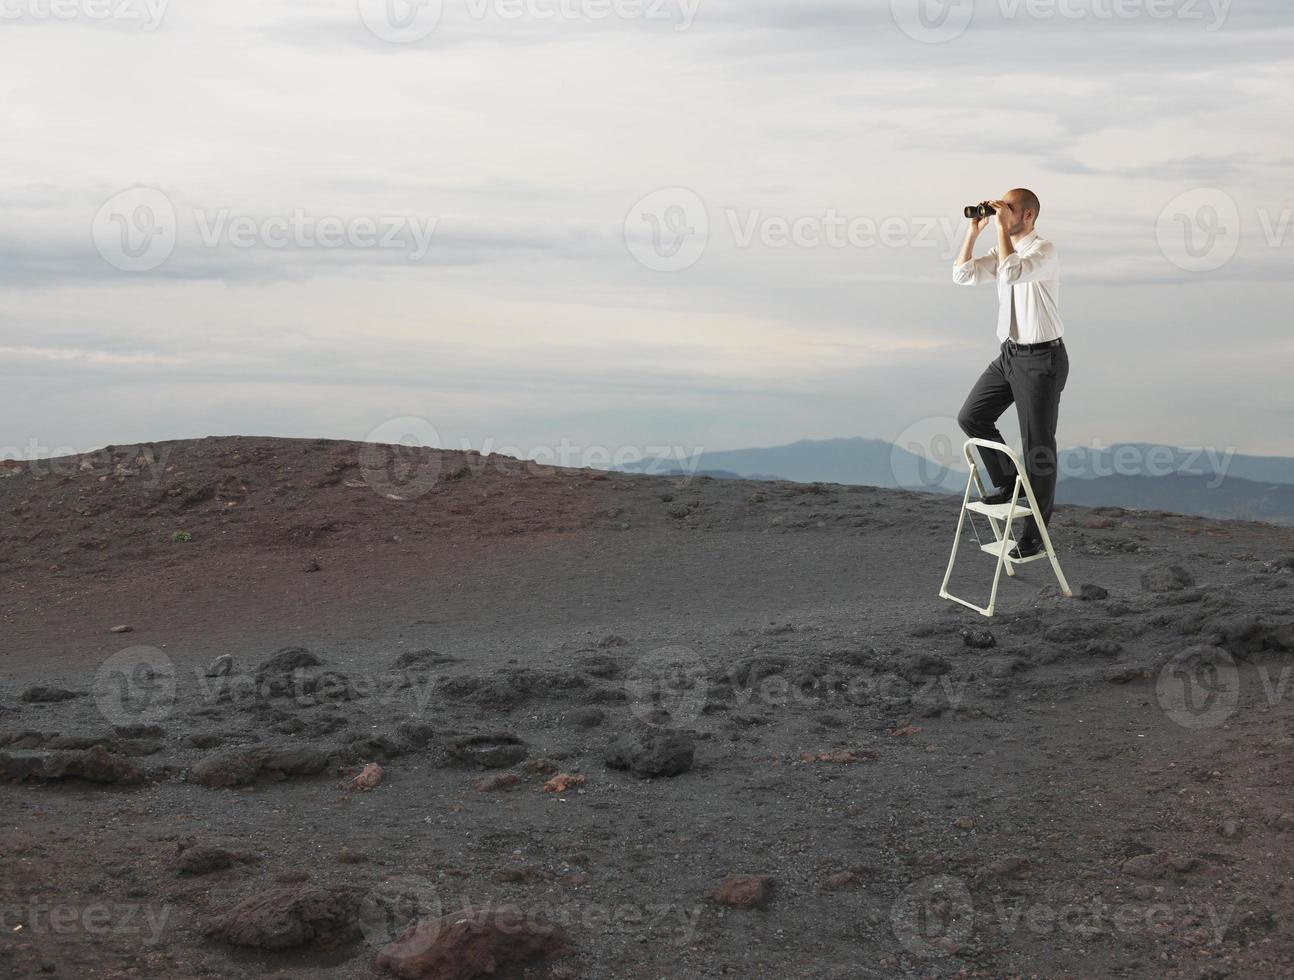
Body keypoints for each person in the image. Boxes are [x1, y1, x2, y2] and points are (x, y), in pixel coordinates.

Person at [952, 188, 1068, 560]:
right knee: (972, 417)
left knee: (1038, 447)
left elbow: (1012, 272)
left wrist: (1001, 232)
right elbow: (962, 276)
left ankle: (1035, 537)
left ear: (1028, 215)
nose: (1003, 212)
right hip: (1009, 355)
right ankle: (1008, 483)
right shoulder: (1000, 251)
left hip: (1042, 361)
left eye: (1009, 208)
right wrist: (975, 231)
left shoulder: (1044, 251)